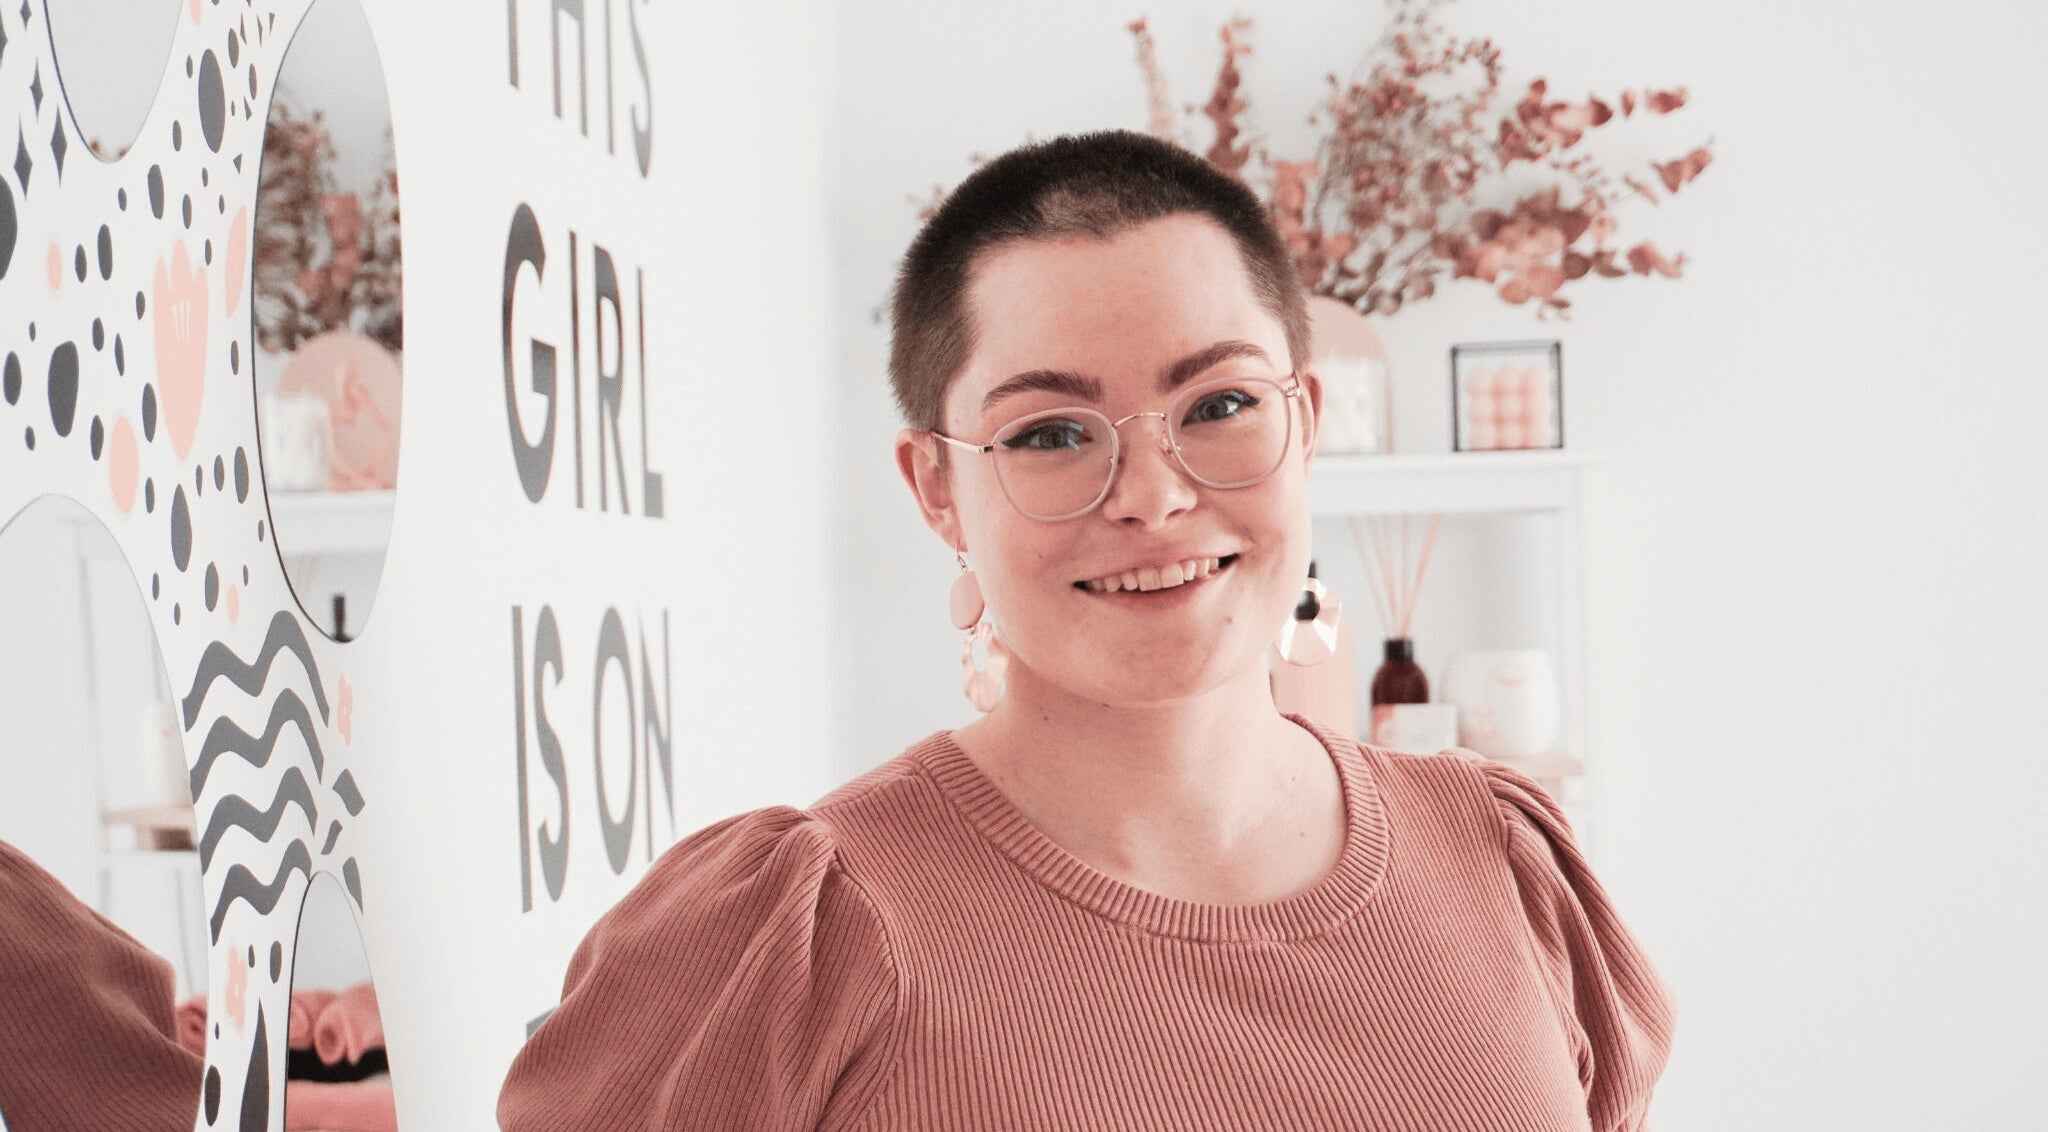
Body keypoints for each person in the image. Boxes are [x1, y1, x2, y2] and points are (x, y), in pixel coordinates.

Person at [497, 129, 1676, 1130]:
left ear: (1304, 423)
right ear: (936, 489)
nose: (1152, 495)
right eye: (1052, 432)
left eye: (1216, 405)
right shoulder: (801, 931)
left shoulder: (1500, 859)